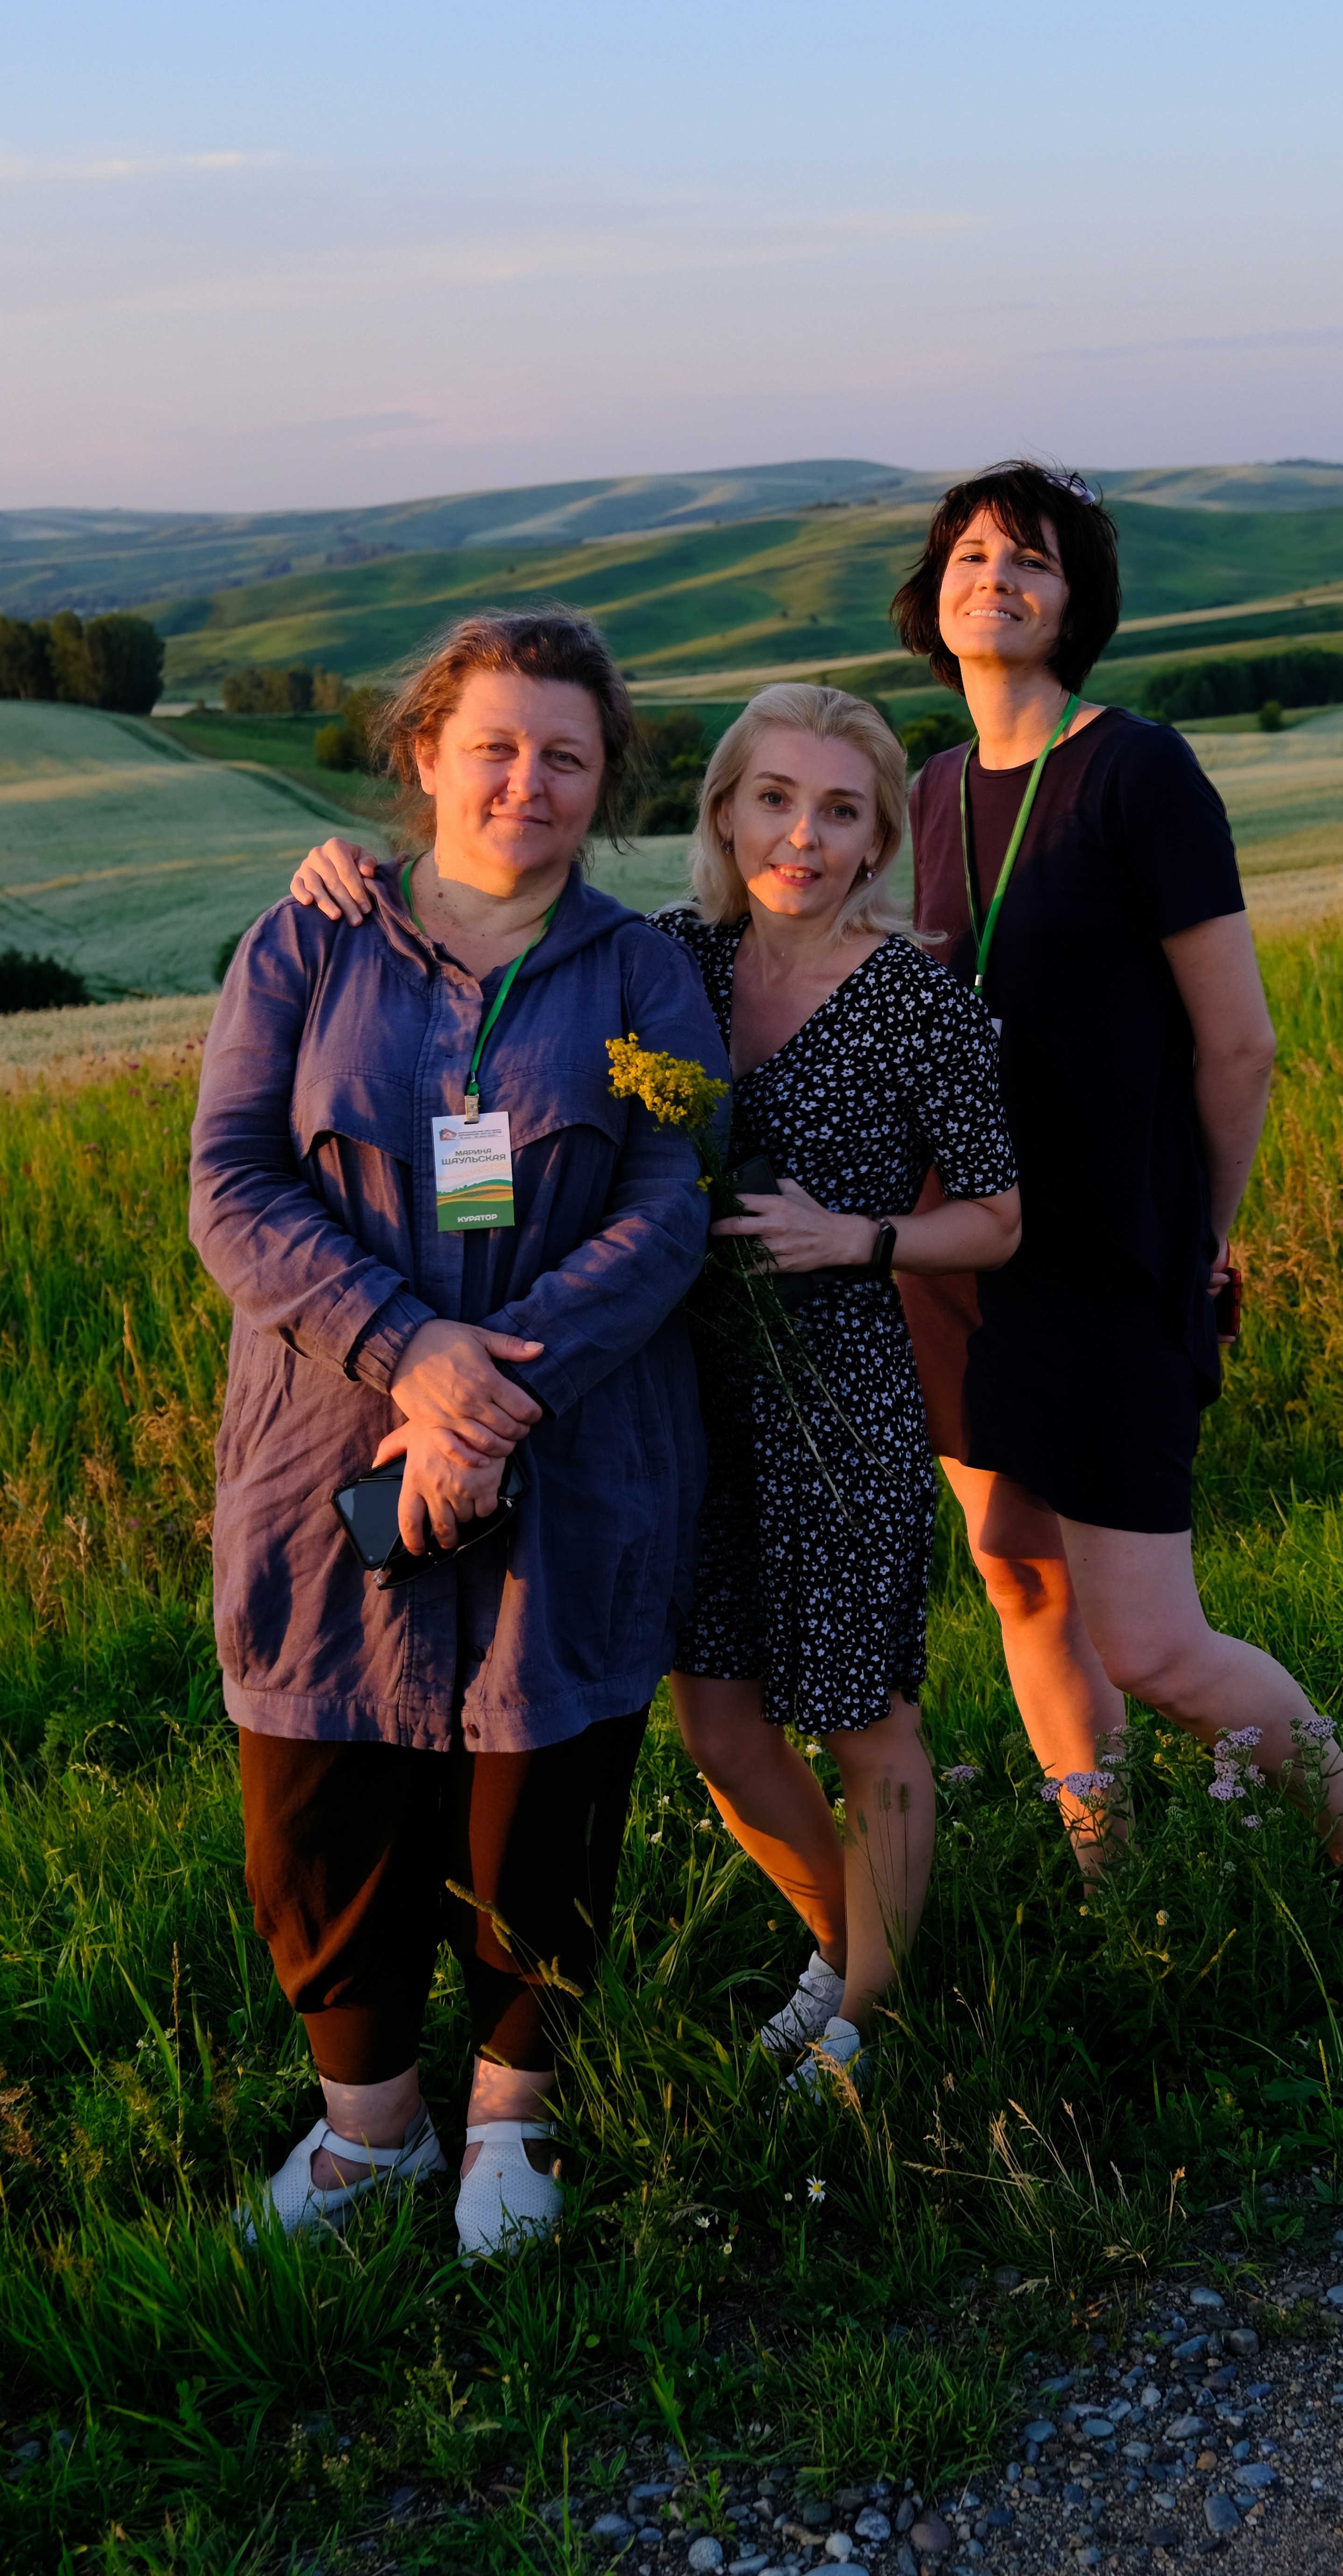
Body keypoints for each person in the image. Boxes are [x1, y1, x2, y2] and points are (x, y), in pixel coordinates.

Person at [289, 682, 1021, 2088]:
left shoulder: (920, 1000)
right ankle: (853, 1948)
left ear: (877, 843)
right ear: (723, 810)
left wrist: (857, 1238)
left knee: (868, 1718)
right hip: (670, 1403)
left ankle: (876, 2017)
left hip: (837, 1401)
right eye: (773, 800)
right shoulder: (666, 957)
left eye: (841, 811)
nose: (801, 837)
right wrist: (354, 880)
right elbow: (489, 932)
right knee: (722, 1728)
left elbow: (999, 1217)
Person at [191, 608, 727, 2259]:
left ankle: (513, 2113)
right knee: (320, 1777)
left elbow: (672, 1199)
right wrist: (408, 1351)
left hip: (570, 1450)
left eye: (567, 755)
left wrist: (498, 1392)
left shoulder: (644, 973)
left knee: (542, 1781)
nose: (529, 781)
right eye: (494, 745)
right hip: (322, 1447)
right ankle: (371, 2135)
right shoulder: (309, 944)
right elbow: (232, 1180)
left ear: (604, 781)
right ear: (425, 758)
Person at [891, 459, 1343, 1925]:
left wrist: (1202, 1233)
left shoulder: (1140, 773)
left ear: (1080, 606)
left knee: (1151, 1641)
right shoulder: (923, 790)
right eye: (973, 554)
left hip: (1114, 1257)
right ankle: (1109, 1881)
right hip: (952, 1260)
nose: (995, 579)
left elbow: (1238, 1041)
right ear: (934, 591)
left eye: (1034, 562)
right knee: (1017, 1580)